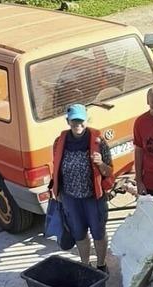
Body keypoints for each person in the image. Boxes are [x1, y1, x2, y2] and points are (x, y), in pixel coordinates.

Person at [50, 104, 114, 272]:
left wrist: (100, 163)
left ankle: (101, 265)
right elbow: (56, 168)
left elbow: (109, 171)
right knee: (79, 233)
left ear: (87, 120)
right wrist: (58, 193)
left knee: (98, 233)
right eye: (74, 121)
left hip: (94, 198)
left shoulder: (99, 142)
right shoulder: (59, 142)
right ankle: (85, 265)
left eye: (81, 121)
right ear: (67, 121)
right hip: (70, 198)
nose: (77, 124)